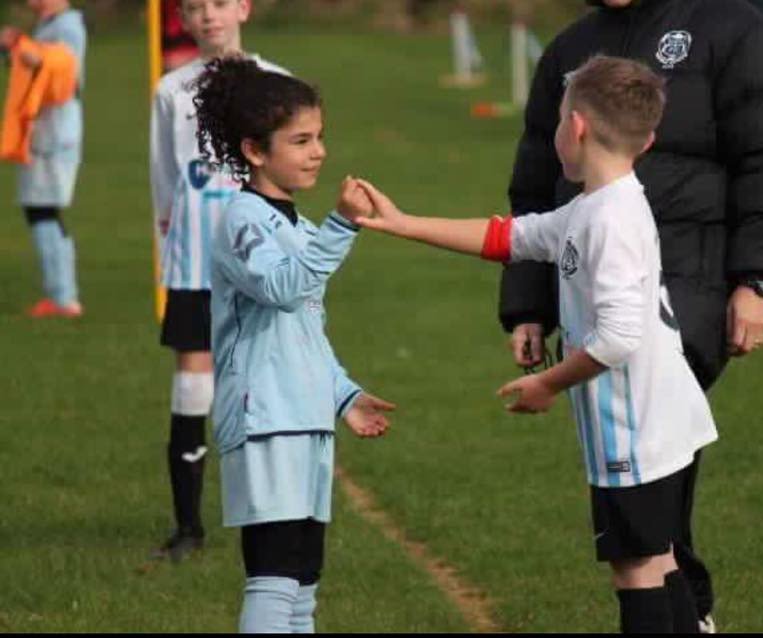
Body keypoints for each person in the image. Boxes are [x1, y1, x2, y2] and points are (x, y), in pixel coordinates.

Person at [355, 55, 718, 634]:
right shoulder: (596, 207)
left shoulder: (610, 220)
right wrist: (405, 223)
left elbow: (621, 337)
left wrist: (547, 383)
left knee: (636, 570)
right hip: (661, 421)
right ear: (647, 139)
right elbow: (512, 236)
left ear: (574, 128)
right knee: (659, 557)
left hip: (636, 429)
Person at [499, 0, 763, 629]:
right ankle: (686, 609)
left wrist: (757, 279)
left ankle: (679, 605)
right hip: (593, 290)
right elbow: (535, 187)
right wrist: (529, 306)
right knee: (652, 499)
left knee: (644, 502)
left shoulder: (735, 29)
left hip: (689, 285)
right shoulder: (571, 47)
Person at [193, 57, 396, 633]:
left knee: (303, 584)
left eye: (321, 137)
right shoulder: (242, 220)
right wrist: (341, 225)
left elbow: (305, 334)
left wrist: (345, 396)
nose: (318, 152)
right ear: (255, 151)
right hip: (265, 422)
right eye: (301, 140)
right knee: (274, 579)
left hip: (304, 419)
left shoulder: (297, 229)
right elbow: (283, 289)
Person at [149, 0, 286, 561]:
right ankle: (188, 528)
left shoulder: (277, 83)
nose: (209, 16)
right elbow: (164, 176)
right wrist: (169, 240)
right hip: (194, 257)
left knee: (266, 382)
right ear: (182, 17)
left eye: (220, 4)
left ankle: (275, 517)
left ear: (244, 9)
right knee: (193, 384)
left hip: (257, 255)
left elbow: (289, 168)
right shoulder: (171, 90)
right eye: (196, 7)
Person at [0, 0, 86, 318]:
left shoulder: (68, 26)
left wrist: (22, 47)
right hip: (45, 130)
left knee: (43, 209)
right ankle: (60, 294)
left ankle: (64, 297)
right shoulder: (51, 26)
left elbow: (57, 68)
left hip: (54, 132)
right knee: (39, 208)